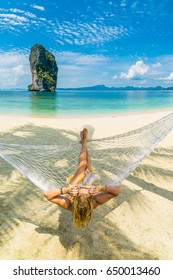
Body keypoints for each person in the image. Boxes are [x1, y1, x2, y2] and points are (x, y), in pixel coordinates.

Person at [44, 128, 122, 228]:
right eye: (87, 195)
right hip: (90, 183)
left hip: (73, 186)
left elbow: (47, 195)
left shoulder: (69, 205)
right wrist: (102, 188)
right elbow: (118, 191)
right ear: (90, 200)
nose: (84, 191)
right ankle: (83, 143)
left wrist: (66, 190)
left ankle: (84, 142)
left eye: (82, 195)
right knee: (88, 164)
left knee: (82, 166)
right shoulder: (96, 201)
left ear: (75, 200)